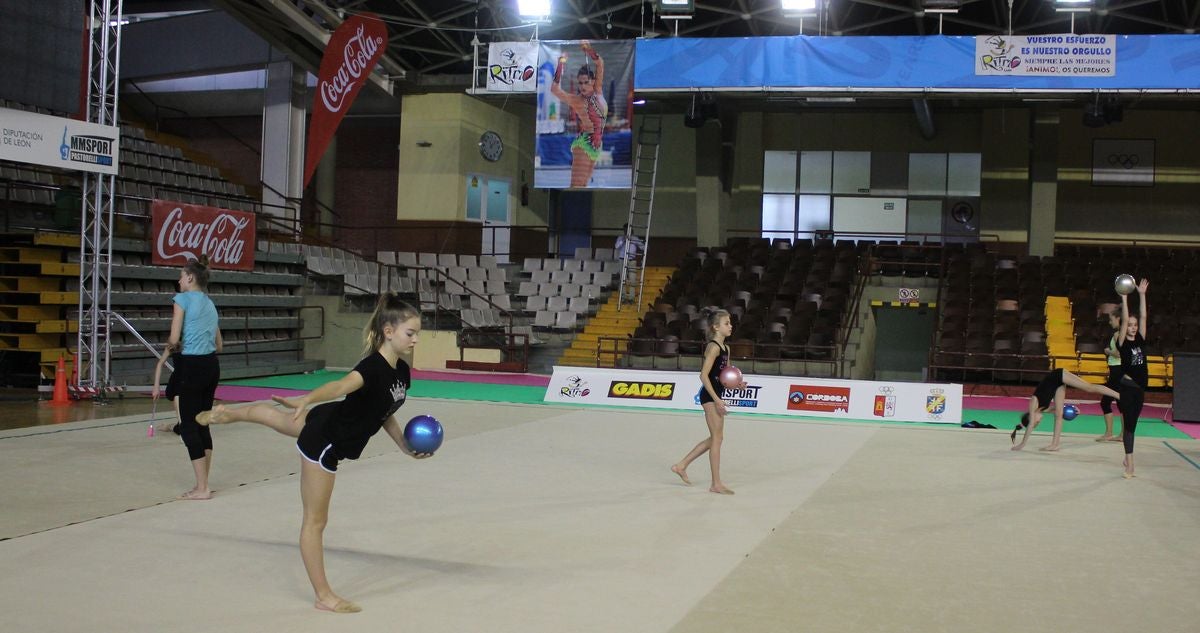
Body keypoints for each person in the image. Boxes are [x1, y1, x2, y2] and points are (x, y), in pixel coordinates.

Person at [196, 294, 431, 613]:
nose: (416, 339)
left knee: (277, 419)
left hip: (332, 418)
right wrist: (308, 398)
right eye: (410, 333)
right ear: (389, 331)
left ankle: (228, 414)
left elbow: (384, 410)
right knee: (315, 521)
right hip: (325, 442)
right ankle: (324, 596)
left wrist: (404, 445)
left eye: (417, 333)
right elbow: (339, 386)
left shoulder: (401, 371)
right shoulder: (371, 368)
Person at [671, 308, 743, 494]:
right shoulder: (713, 347)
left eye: (730, 323)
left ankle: (681, 465)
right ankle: (716, 484)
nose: (730, 326)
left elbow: (723, 377)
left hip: (716, 395)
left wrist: (737, 385)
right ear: (716, 327)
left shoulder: (726, 348)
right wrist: (717, 400)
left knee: (715, 438)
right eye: (727, 323)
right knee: (717, 439)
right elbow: (703, 376)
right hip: (709, 396)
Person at [169, 256, 223, 500]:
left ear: (190, 278)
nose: (179, 280)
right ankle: (204, 482)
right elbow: (219, 344)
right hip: (211, 365)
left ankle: (202, 488)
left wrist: (172, 346)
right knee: (203, 421)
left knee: (189, 425)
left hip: (192, 365)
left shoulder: (182, 299)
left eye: (181, 275)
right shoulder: (210, 304)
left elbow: (173, 337)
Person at [1011, 367, 1120, 452]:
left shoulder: (1033, 402)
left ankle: (1119, 395)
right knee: (1059, 414)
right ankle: (1055, 444)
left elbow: (1029, 425)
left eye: (1036, 422)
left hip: (1057, 375)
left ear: (1031, 416)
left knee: (1089, 387)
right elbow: (1057, 410)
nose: (1038, 422)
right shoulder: (1043, 409)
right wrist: (1073, 409)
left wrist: (1022, 444)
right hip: (1057, 386)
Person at [550, 40, 606, 188]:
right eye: (580, 83)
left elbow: (600, 63)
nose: (582, 86)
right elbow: (555, 90)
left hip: (596, 145)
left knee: (583, 187)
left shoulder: (598, 91)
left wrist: (588, 50)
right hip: (585, 143)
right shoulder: (577, 100)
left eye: (586, 82)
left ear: (593, 81)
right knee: (576, 185)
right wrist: (560, 65)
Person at [1115, 278, 1150, 478]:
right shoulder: (1123, 343)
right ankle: (1130, 464)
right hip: (1127, 387)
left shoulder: (1141, 340)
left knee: (1133, 425)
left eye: (1135, 325)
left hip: (1140, 389)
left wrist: (1142, 295)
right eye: (1130, 325)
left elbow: (1144, 317)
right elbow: (1127, 318)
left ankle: (1127, 458)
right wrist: (1125, 298)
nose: (1133, 327)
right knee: (1129, 425)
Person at [1096, 309, 1124, 442]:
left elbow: (1119, 354)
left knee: (1106, 402)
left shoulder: (1119, 334)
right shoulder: (1118, 334)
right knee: (1118, 403)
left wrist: (1108, 351)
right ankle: (1119, 434)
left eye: (1111, 319)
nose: (1110, 322)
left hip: (1118, 372)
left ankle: (1111, 433)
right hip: (1116, 371)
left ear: (1118, 319)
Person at [151, 342, 182, 436]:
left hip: (192, 381)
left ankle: (171, 426)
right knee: (178, 395)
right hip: (178, 381)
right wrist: (156, 386)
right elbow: (160, 364)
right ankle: (179, 424)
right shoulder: (175, 343)